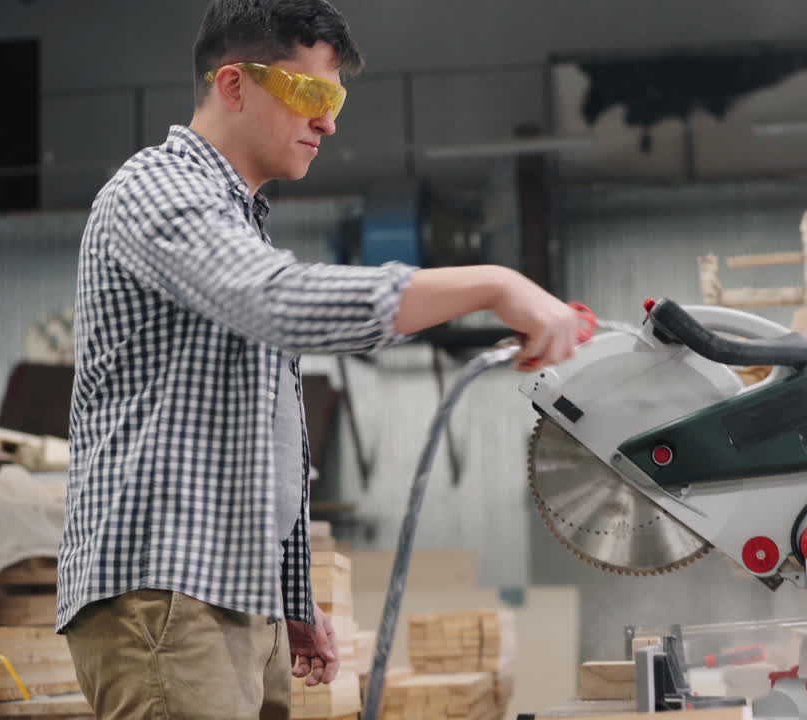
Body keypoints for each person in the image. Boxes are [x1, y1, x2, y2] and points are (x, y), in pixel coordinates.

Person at [56, 1, 584, 718]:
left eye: (334, 101)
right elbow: (280, 301)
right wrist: (493, 285)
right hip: (168, 597)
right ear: (234, 84)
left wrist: (288, 595)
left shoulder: (237, 225)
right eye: (310, 94)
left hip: (228, 598)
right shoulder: (157, 190)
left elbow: (262, 438)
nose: (328, 122)